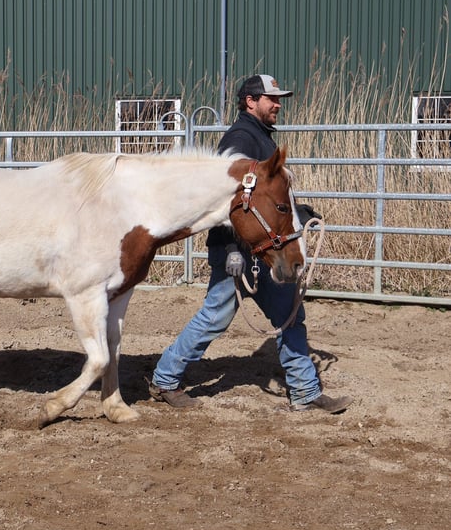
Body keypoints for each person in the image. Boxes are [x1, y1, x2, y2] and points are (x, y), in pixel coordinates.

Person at [149, 74, 353, 413]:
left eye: (278, 99)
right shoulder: (240, 140)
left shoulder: (261, 138)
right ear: (250, 101)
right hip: (238, 252)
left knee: (290, 314)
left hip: (263, 250)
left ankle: (304, 391)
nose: (278, 105)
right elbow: (227, 200)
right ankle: (165, 378)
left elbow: (263, 199)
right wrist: (231, 250)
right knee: (215, 317)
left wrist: (296, 212)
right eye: (271, 99)